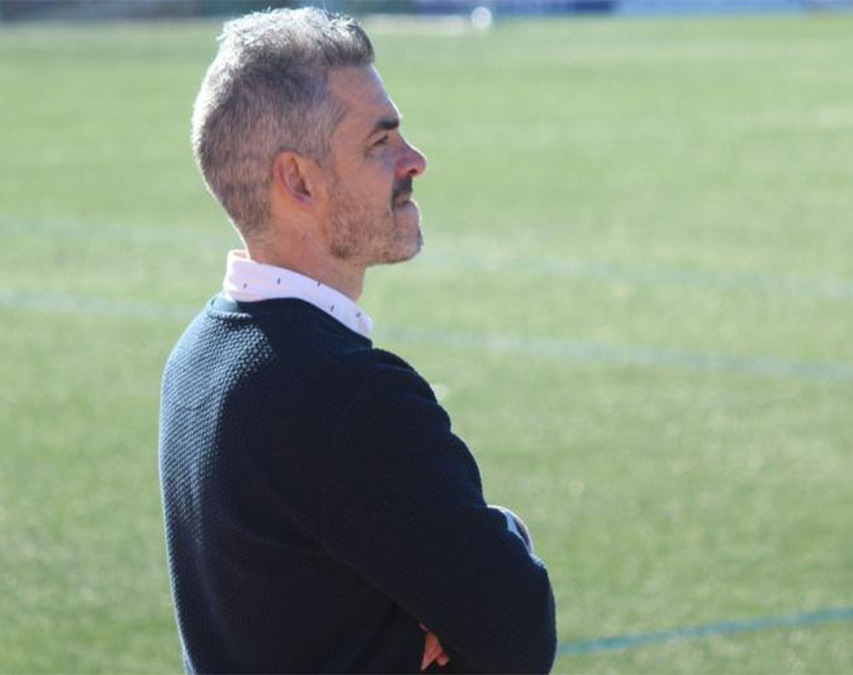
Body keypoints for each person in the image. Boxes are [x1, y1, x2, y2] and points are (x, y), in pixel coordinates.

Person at [158, 8, 556, 673]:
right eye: (381, 142)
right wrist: (504, 535)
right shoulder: (350, 398)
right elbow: (517, 633)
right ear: (299, 181)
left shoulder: (195, 358)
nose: (415, 160)